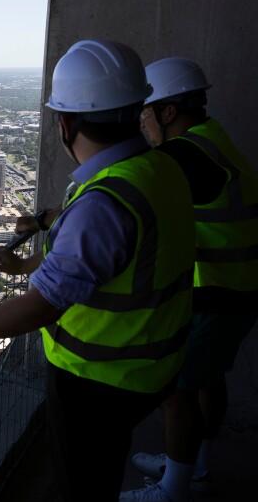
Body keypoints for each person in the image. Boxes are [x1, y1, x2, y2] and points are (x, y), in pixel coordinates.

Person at [0, 39, 195, 502]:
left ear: (65, 122)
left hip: (99, 380)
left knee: (83, 487)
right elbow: (106, 261)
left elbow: (38, 309)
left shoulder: (103, 201)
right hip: (154, 363)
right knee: (103, 467)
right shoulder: (159, 170)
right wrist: (26, 263)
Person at [118, 57, 258, 501]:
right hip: (234, 285)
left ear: (168, 112)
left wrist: (46, 218)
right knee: (205, 380)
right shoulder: (212, 141)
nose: (144, 125)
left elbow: (120, 201)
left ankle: (173, 489)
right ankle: (192, 463)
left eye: (146, 114)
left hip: (221, 289)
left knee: (177, 387)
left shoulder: (185, 155)